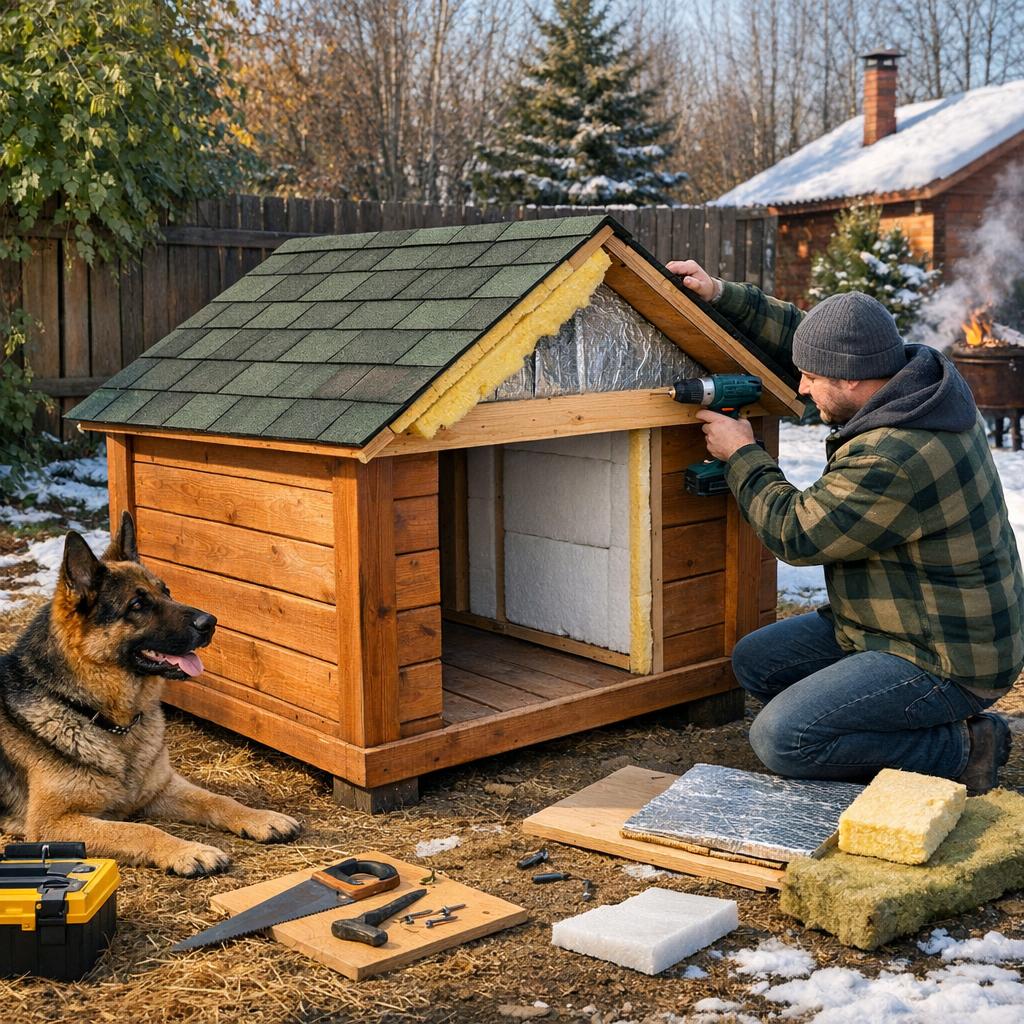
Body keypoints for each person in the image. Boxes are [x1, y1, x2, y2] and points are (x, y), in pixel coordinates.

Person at [665, 257, 1024, 794]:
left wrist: (742, 455)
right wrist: (720, 292)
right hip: (892, 621)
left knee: (783, 738)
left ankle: (965, 745)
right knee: (757, 663)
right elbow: (807, 338)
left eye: (810, 379)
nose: (803, 389)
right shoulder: (914, 386)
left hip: (948, 656)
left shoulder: (895, 453)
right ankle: (890, 710)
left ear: (853, 377)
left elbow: (797, 532)